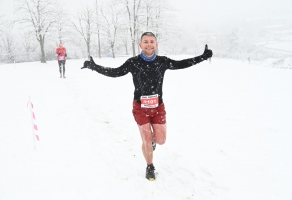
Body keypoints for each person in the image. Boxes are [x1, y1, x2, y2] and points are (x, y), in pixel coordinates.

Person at [81, 32, 213, 181]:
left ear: (156, 44)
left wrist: (203, 56)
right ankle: (150, 166)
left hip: (158, 107)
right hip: (140, 107)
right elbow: (116, 72)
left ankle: (152, 143)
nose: (148, 44)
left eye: (151, 41)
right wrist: (94, 66)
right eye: (145, 41)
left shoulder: (163, 62)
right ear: (140, 45)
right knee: (146, 139)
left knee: (161, 140)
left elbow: (182, 64)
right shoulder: (133, 62)